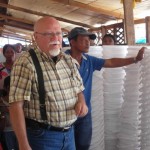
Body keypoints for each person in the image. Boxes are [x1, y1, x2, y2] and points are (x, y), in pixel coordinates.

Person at [9, 16, 88, 150]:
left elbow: (78, 89)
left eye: (58, 33)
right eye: (48, 34)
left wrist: (82, 102)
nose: (55, 38)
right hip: (42, 137)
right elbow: (16, 106)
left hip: (69, 134)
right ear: (36, 37)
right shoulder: (26, 63)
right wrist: (23, 144)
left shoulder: (68, 60)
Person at [66, 27, 145, 150]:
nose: (88, 43)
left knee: (83, 145)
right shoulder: (61, 61)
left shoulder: (89, 60)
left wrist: (135, 59)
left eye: (89, 40)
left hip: (85, 113)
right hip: (65, 113)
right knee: (67, 145)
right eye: (83, 40)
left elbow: (111, 62)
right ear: (72, 42)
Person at [0, 44, 16, 150]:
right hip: (3, 97)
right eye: (7, 52)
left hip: (16, 97)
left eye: (12, 52)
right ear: (4, 53)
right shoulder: (0, 67)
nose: (10, 54)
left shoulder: (18, 66)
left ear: (15, 53)